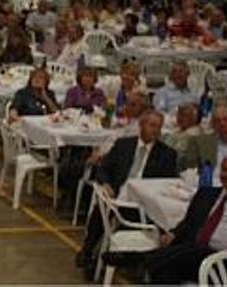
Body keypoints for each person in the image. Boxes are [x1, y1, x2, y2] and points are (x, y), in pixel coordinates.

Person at [76, 111, 178, 273]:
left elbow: (167, 183)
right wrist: (106, 184)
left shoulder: (167, 154)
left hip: (143, 204)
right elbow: (104, 168)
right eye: (152, 125)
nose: (155, 130)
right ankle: (88, 250)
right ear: (141, 126)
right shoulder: (124, 145)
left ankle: (111, 258)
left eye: (158, 127)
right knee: (102, 207)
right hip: (118, 194)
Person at [145, 156, 227, 284]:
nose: (225, 175)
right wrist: (174, 233)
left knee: (189, 252)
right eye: (223, 170)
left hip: (220, 262)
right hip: (193, 256)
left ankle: (140, 259)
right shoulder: (207, 194)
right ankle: (147, 263)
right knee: (165, 270)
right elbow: (188, 223)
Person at [180, 105, 227, 176]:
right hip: (209, 183)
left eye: (225, 119)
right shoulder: (200, 142)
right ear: (213, 125)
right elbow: (188, 168)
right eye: (217, 121)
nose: (222, 123)